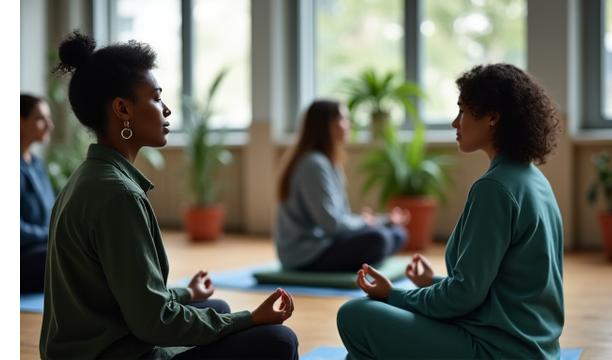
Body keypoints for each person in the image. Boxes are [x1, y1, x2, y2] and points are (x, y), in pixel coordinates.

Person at [40, 31, 298, 360]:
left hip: (93, 346)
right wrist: (249, 318)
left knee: (212, 304)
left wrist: (187, 293)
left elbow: (127, 296)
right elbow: (153, 323)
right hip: (117, 354)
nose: (167, 110)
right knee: (278, 340)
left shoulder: (86, 177)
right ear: (122, 109)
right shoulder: (118, 195)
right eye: (157, 98)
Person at [337, 63, 564, 359]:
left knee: (356, 314)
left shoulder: (494, 188)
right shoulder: (534, 180)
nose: (455, 123)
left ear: (493, 117)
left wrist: (392, 295)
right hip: (532, 349)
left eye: (462, 111)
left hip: (499, 350)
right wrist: (430, 284)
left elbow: (464, 297)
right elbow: (499, 289)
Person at [275, 99, 408, 272]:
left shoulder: (330, 163)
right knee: (380, 238)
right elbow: (331, 225)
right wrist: (367, 223)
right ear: (327, 125)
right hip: (305, 252)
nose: (348, 124)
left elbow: (340, 219)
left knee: (397, 233)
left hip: (327, 241)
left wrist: (381, 220)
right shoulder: (313, 164)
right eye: (343, 119)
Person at [20, 94, 56, 294]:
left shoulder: (36, 163)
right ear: (19, 120)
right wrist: (50, 235)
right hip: (22, 255)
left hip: (41, 247)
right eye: (41, 118)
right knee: (66, 254)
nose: (49, 125)